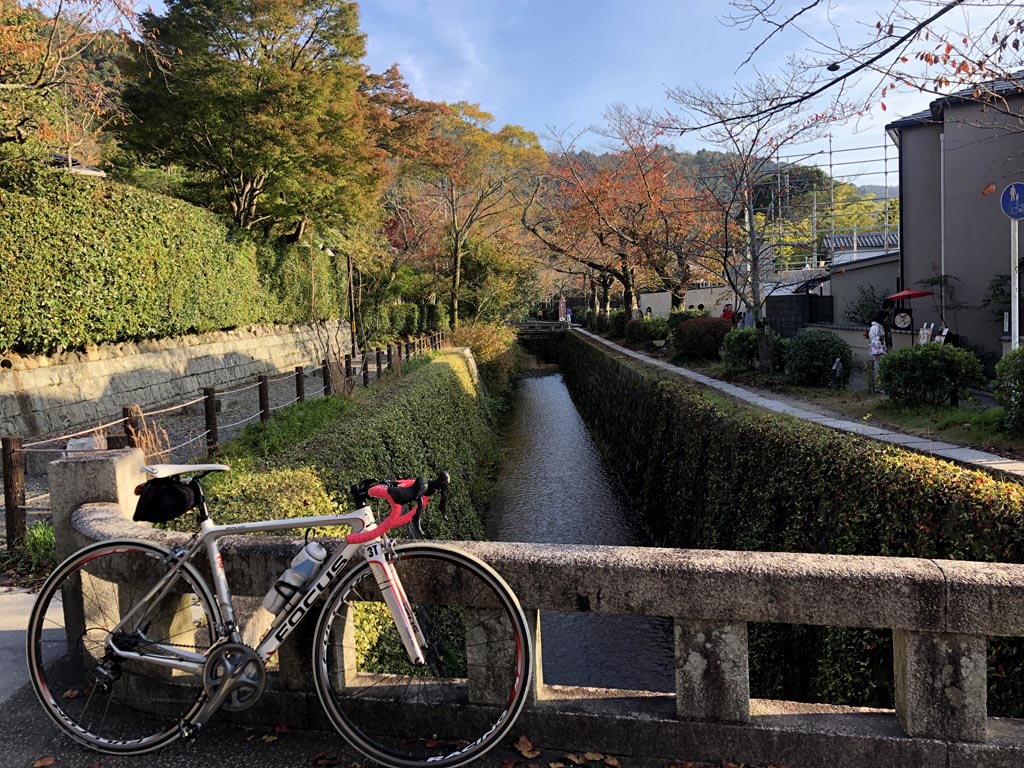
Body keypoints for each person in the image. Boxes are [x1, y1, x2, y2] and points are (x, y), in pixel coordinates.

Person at [868, 309, 888, 393]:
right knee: (877, 369)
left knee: (879, 368)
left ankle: (879, 386)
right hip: (878, 351)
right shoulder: (875, 327)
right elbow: (874, 341)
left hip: (880, 349)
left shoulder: (878, 326)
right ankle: (877, 386)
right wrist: (877, 353)